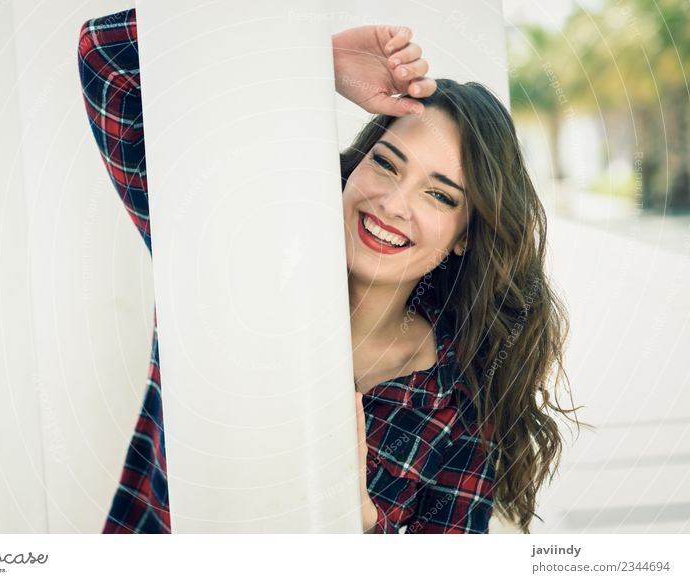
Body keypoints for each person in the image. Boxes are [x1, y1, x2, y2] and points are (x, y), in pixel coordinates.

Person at [78, 7, 580, 534]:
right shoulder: (238, 256)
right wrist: (311, 60)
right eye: (387, 163)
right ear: (357, 162)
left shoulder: (458, 404)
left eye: (438, 194)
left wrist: (358, 512)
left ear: (466, 237)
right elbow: (108, 59)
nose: (392, 203)